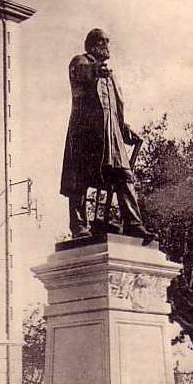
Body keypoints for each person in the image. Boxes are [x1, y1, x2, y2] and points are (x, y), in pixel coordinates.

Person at [60, 28, 154, 242]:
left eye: (107, 41)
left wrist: (125, 129)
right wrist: (94, 70)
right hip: (86, 134)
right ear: (91, 44)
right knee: (80, 179)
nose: (106, 44)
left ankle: (133, 224)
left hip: (112, 137)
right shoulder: (81, 62)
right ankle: (79, 226)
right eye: (101, 41)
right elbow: (80, 74)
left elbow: (113, 109)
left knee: (124, 176)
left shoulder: (109, 75)